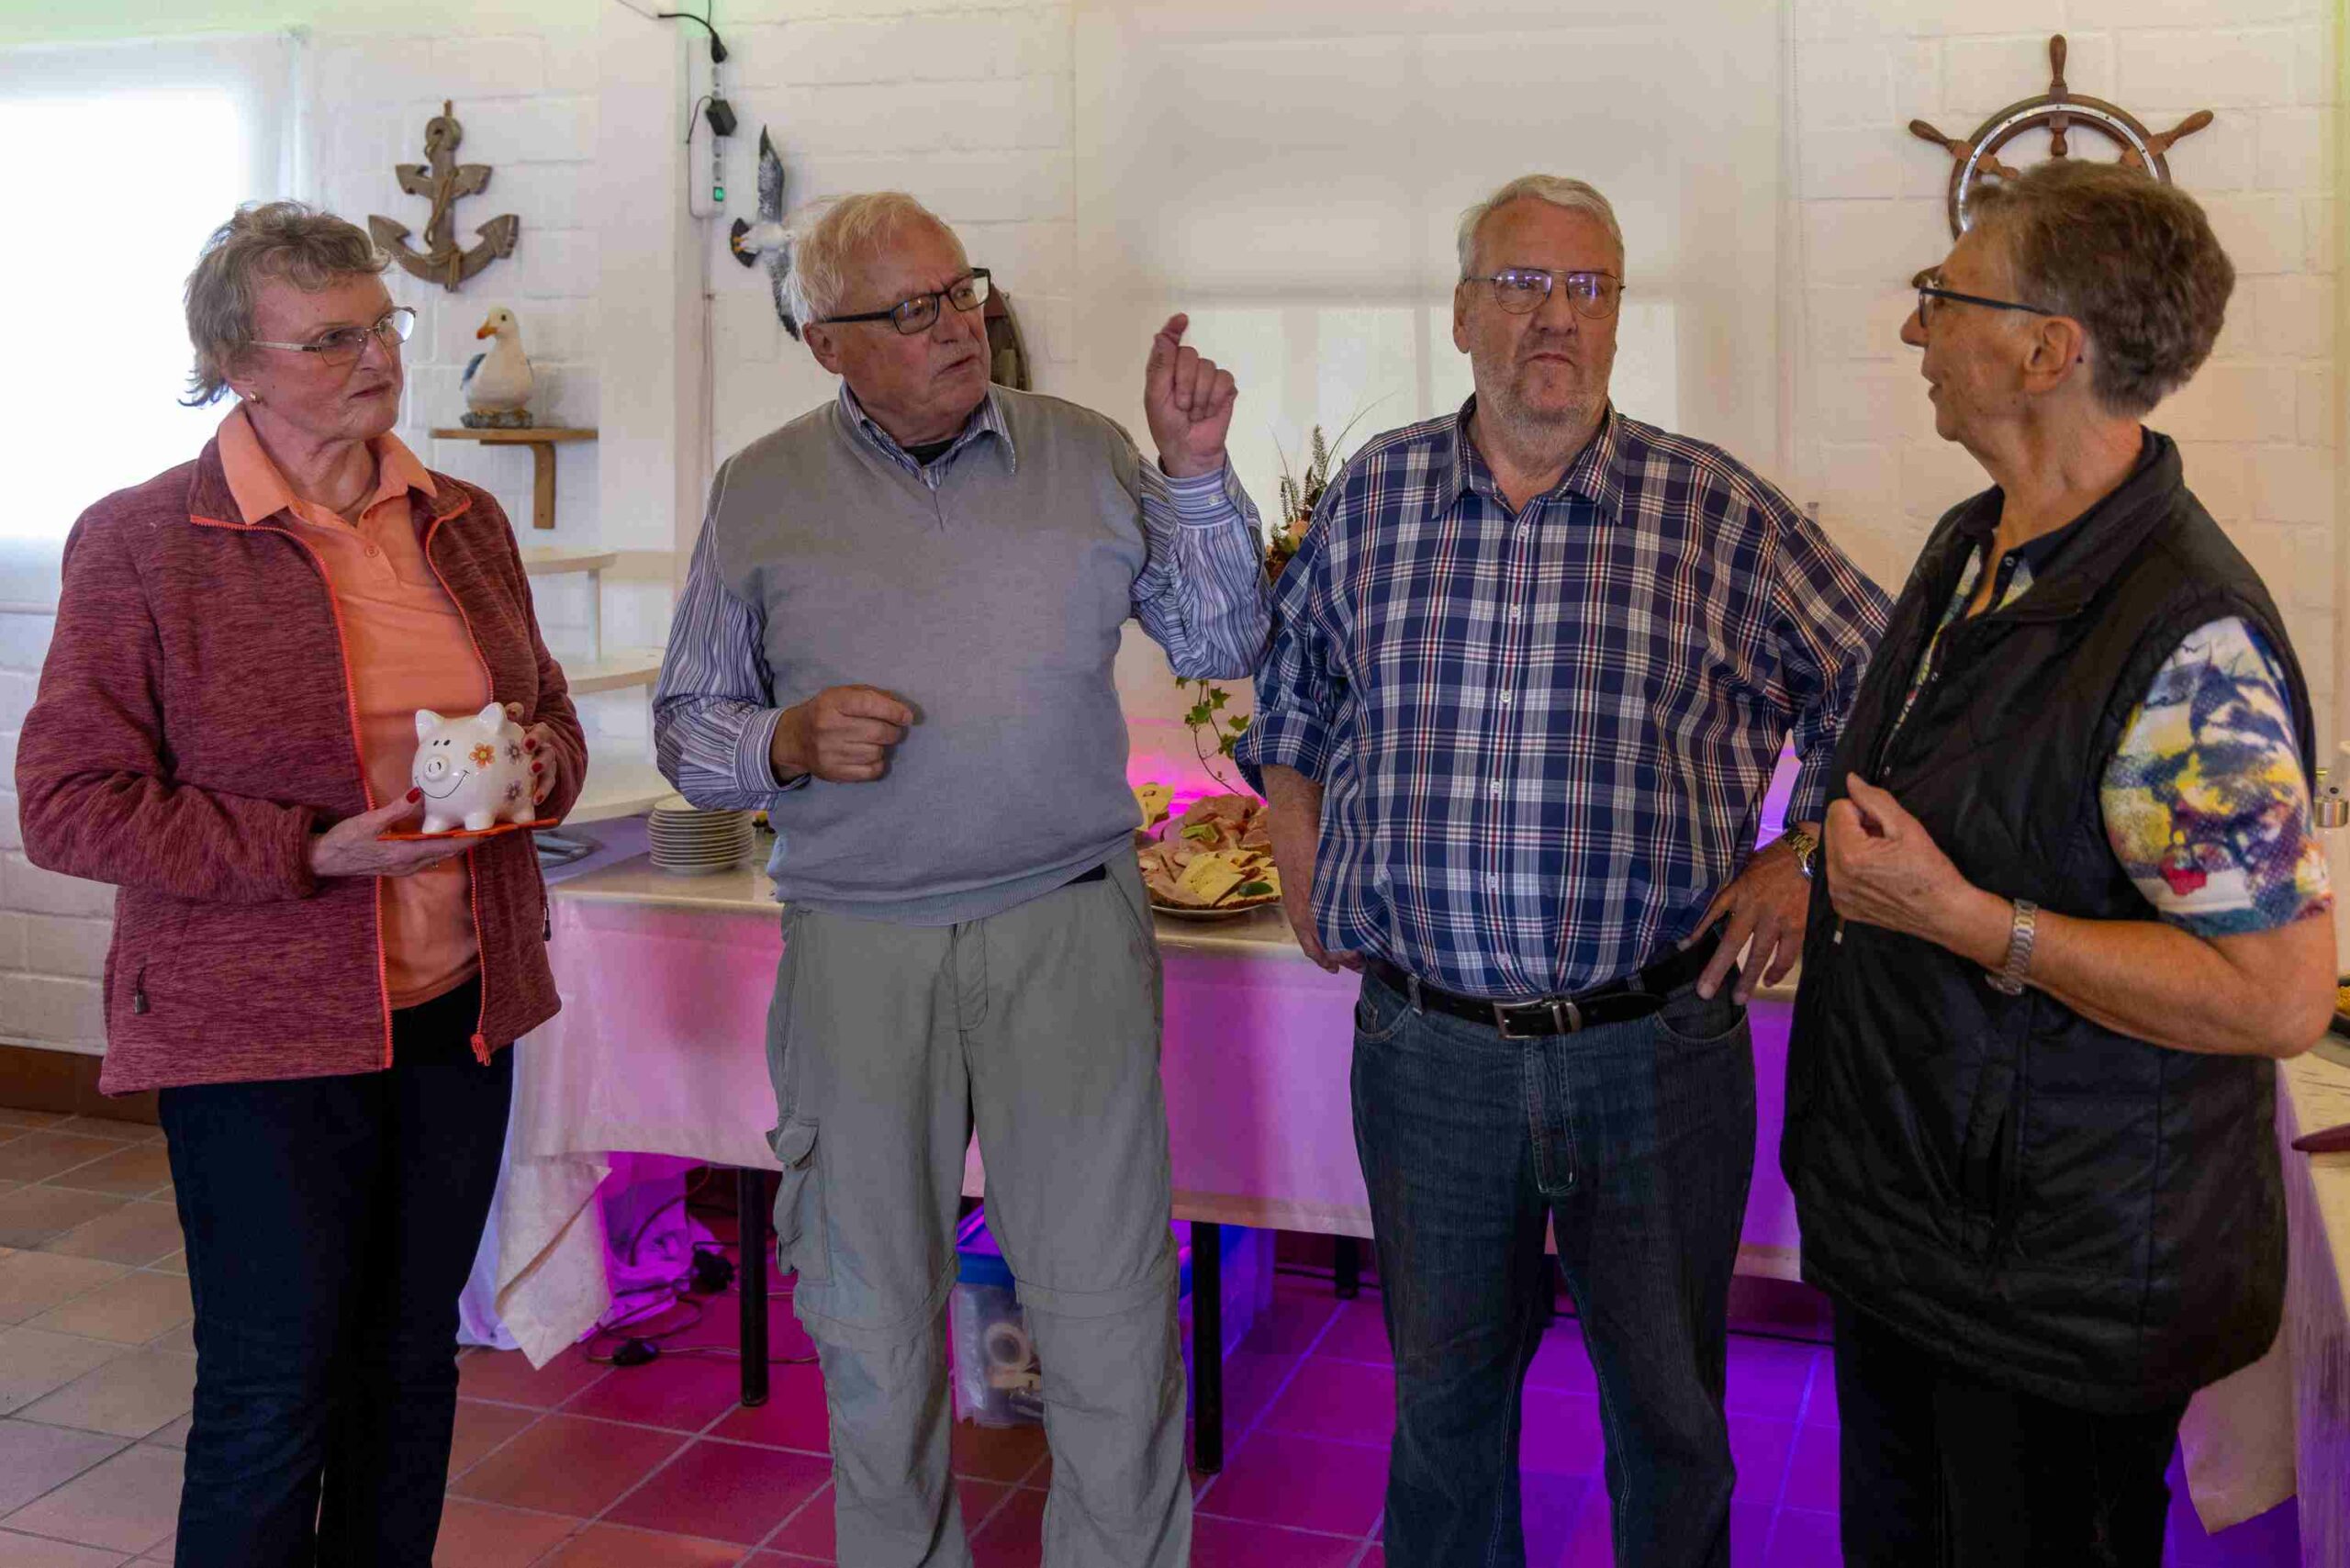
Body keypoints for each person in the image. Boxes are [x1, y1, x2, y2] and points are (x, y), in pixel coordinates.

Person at [1238, 174, 1890, 1567]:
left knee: (1669, 1419)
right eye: (1523, 284)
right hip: (1429, 1056)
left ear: (1617, 316)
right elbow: (1289, 697)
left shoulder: (1713, 511)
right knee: (1443, 1417)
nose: (1557, 316)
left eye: (1588, 288)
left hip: (1653, 1052)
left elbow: (1890, 687)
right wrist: (1301, 868)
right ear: (1463, 311)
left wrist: (1804, 854)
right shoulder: (1380, 494)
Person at [652, 190, 1268, 1568]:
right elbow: (690, 730)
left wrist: (1194, 471)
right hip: (859, 949)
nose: (958, 325)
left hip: (1069, 928)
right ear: (827, 343)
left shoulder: (1087, 451)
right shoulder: (760, 489)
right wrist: (785, 740)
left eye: (963, 290)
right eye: (913, 308)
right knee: (870, 1321)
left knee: (1110, 1313)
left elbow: (1221, 640)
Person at [15, 201, 586, 1567]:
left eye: (382, 325)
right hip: (254, 1034)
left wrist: (532, 770)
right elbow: (66, 803)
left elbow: (552, 721)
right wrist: (310, 849)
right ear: (236, 364)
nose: (375, 357)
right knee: (274, 1391)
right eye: (330, 339)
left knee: (413, 1364)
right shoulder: (142, 541)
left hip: (456, 1015)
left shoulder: (461, 521)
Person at [1783, 159, 2333, 1567]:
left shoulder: (2190, 642)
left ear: (2048, 351)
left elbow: (2278, 996)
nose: (1914, 329)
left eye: (1944, 296)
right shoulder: (1976, 542)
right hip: (1923, 1242)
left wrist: (1973, 921)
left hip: (2056, 1285)